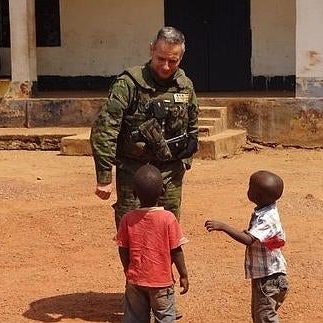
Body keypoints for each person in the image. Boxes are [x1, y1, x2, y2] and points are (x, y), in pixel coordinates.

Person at [90, 26, 199, 229]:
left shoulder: (185, 85)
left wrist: (186, 158)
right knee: (131, 233)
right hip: (134, 172)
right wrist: (104, 177)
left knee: (168, 231)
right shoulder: (128, 84)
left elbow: (192, 125)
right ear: (151, 50)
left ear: (181, 58)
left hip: (170, 172)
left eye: (173, 61)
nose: (166, 66)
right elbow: (105, 130)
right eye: (161, 58)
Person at [205, 170, 289, 323]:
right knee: (261, 316)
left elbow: (249, 240)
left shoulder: (267, 219)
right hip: (268, 277)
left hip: (268, 279)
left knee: (264, 318)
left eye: (250, 186)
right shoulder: (267, 209)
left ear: (258, 196)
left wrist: (223, 226)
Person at [116, 164, 189, 323]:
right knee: (164, 318)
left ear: (134, 193)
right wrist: (183, 275)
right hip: (162, 282)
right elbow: (176, 250)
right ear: (163, 191)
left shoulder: (127, 219)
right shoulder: (168, 218)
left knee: (134, 318)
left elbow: (123, 248)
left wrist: (127, 268)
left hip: (135, 280)